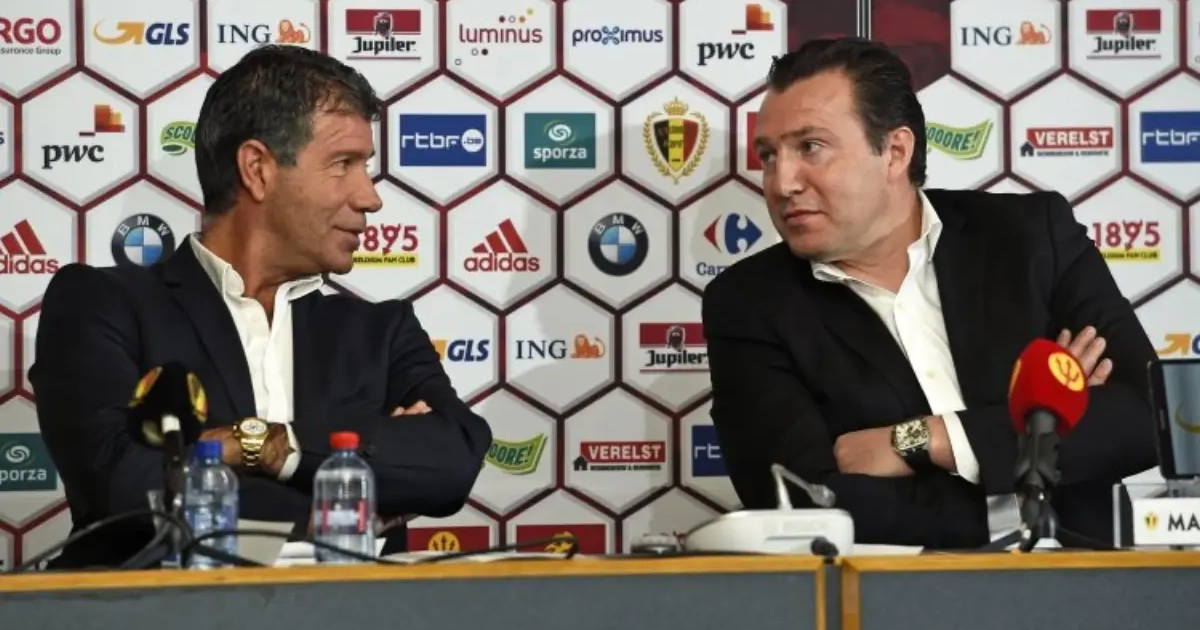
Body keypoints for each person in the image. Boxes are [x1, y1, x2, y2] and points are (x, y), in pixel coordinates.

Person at [30, 45, 492, 568]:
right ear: (257, 169)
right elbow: (121, 484)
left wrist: (270, 446)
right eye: (343, 164)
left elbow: (453, 461)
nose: (370, 197)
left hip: (354, 608)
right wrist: (341, 504)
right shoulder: (103, 303)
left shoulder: (380, 331)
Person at [703, 37, 1157, 549]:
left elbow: (1144, 418)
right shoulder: (748, 304)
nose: (781, 182)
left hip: (1093, 581)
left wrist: (923, 439)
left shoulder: (1030, 237)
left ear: (895, 152)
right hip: (898, 592)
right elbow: (805, 505)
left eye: (810, 147)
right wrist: (1036, 441)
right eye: (769, 155)